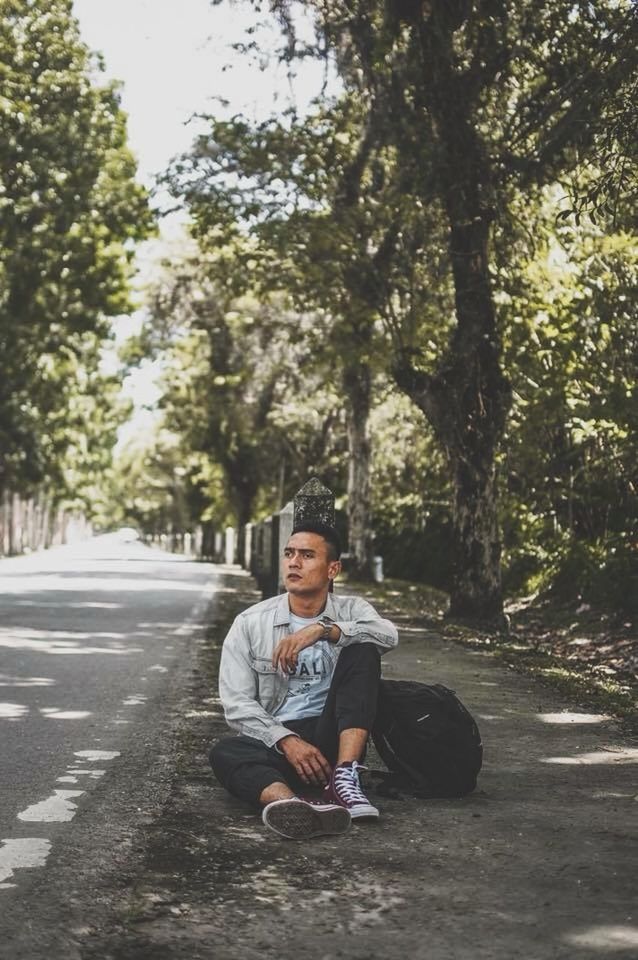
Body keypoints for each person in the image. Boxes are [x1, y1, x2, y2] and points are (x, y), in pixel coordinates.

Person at [210, 521, 399, 840]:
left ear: (332, 568)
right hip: (279, 739)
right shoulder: (250, 623)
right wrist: (288, 741)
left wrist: (323, 630)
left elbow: (388, 635)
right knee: (224, 753)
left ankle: (343, 778)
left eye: (307, 555)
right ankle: (295, 807)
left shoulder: (351, 609)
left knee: (363, 647)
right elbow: (236, 704)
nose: (294, 562)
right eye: (289, 553)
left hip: (335, 738)